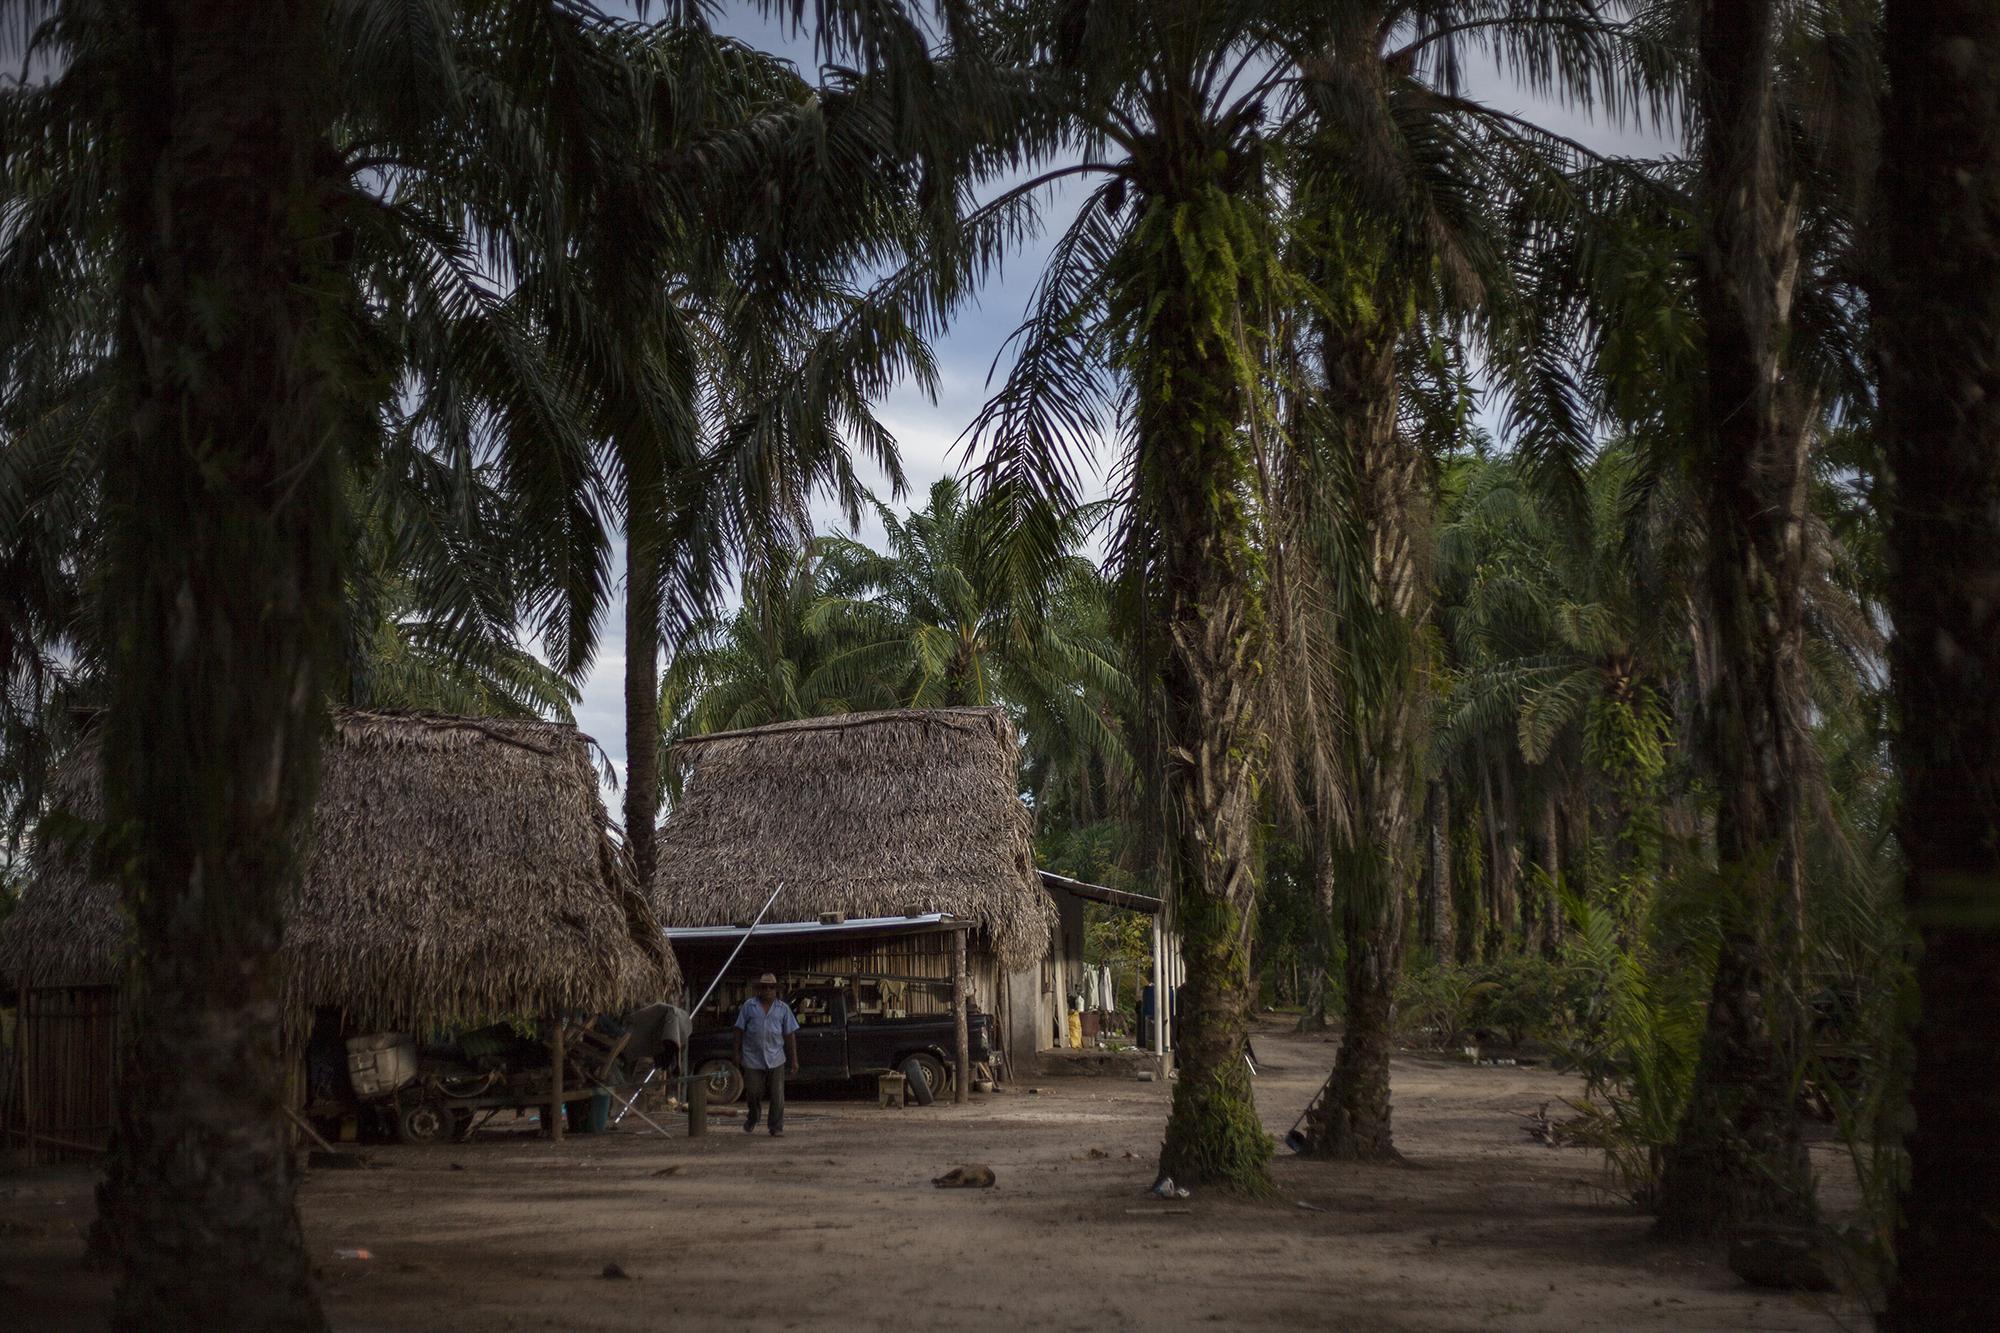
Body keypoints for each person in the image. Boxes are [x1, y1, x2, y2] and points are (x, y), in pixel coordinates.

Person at [733, 973, 799, 1137]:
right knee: (754, 1092)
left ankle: (776, 1126)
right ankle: (753, 1117)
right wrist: (736, 1052)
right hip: (752, 1058)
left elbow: (790, 1034)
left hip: (776, 1057)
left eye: (771, 987)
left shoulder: (783, 1009)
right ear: (759, 989)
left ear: (776, 990)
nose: (767, 990)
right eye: (764, 987)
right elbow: (738, 1030)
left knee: (777, 1094)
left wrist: (794, 1060)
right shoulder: (749, 1006)